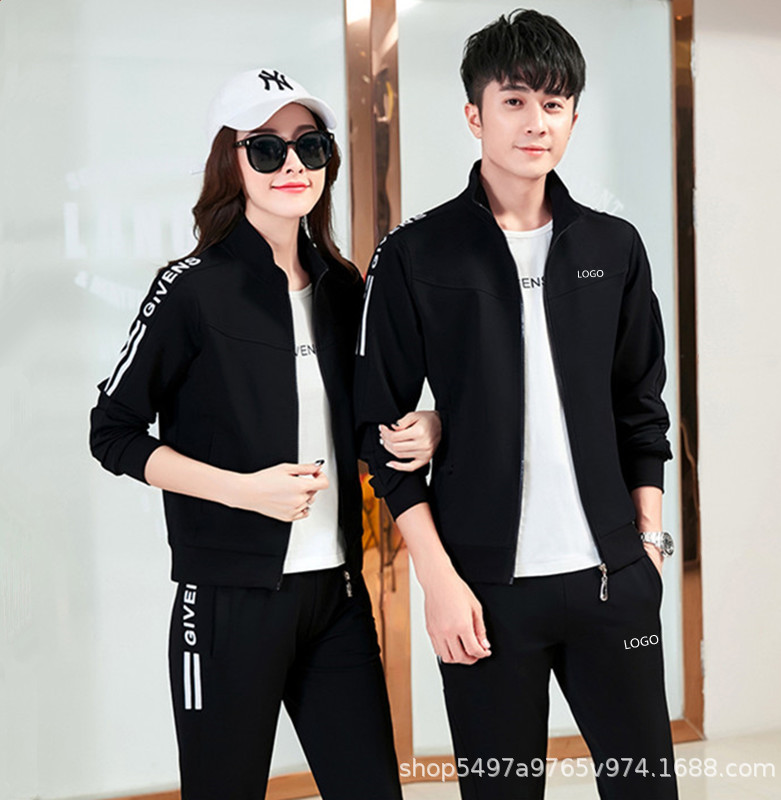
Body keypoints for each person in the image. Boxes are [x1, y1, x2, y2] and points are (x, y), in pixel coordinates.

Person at [89, 67, 441, 800]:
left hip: (336, 595)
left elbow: (371, 422)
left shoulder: (344, 288)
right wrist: (241, 491)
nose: (292, 166)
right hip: (226, 602)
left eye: (309, 147)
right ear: (231, 161)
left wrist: (429, 426)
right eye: (267, 148)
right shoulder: (190, 289)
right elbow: (112, 431)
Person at [354, 9, 678, 799]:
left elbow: (641, 407)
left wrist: (649, 541)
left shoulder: (613, 247)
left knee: (646, 789)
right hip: (483, 593)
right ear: (475, 115)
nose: (537, 122)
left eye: (554, 103)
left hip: (611, 581)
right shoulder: (415, 254)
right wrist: (437, 580)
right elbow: (377, 428)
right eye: (515, 101)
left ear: (573, 119)